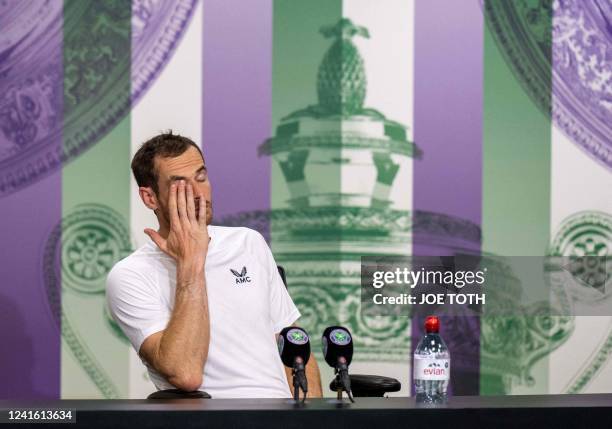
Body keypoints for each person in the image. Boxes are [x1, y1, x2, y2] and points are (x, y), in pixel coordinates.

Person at [106, 131, 322, 398]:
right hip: (211, 419)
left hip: (283, 417)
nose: (198, 193)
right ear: (150, 198)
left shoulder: (248, 243)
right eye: (180, 184)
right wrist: (191, 262)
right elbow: (185, 373)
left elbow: (294, 346)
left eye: (201, 177)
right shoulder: (130, 275)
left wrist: (311, 416)